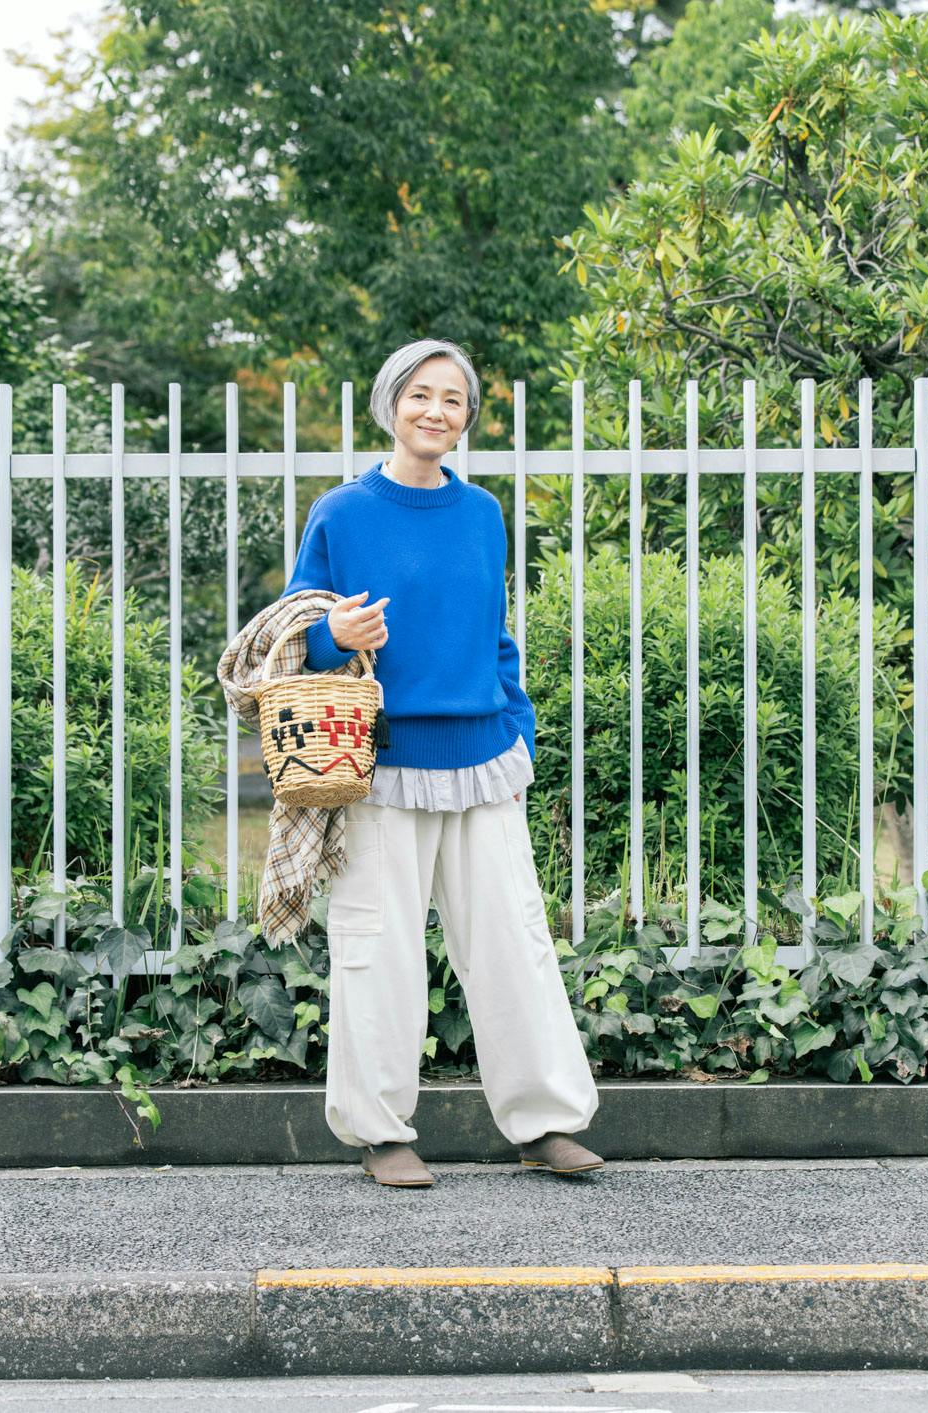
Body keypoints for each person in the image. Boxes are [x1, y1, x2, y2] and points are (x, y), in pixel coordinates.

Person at [281, 338, 602, 1188]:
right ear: (391, 404)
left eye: (453, 399)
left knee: (515, 944)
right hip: (379, 763)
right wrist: (331, 636)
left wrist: (520, 729)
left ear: (466, 418)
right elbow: (287, 631)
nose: (436, 411)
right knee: (376, 948)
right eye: (421, 394)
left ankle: (545, 1124)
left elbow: (497, 638)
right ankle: (383, 1134)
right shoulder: (342, 514)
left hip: (484, 758)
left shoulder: (483, 513)